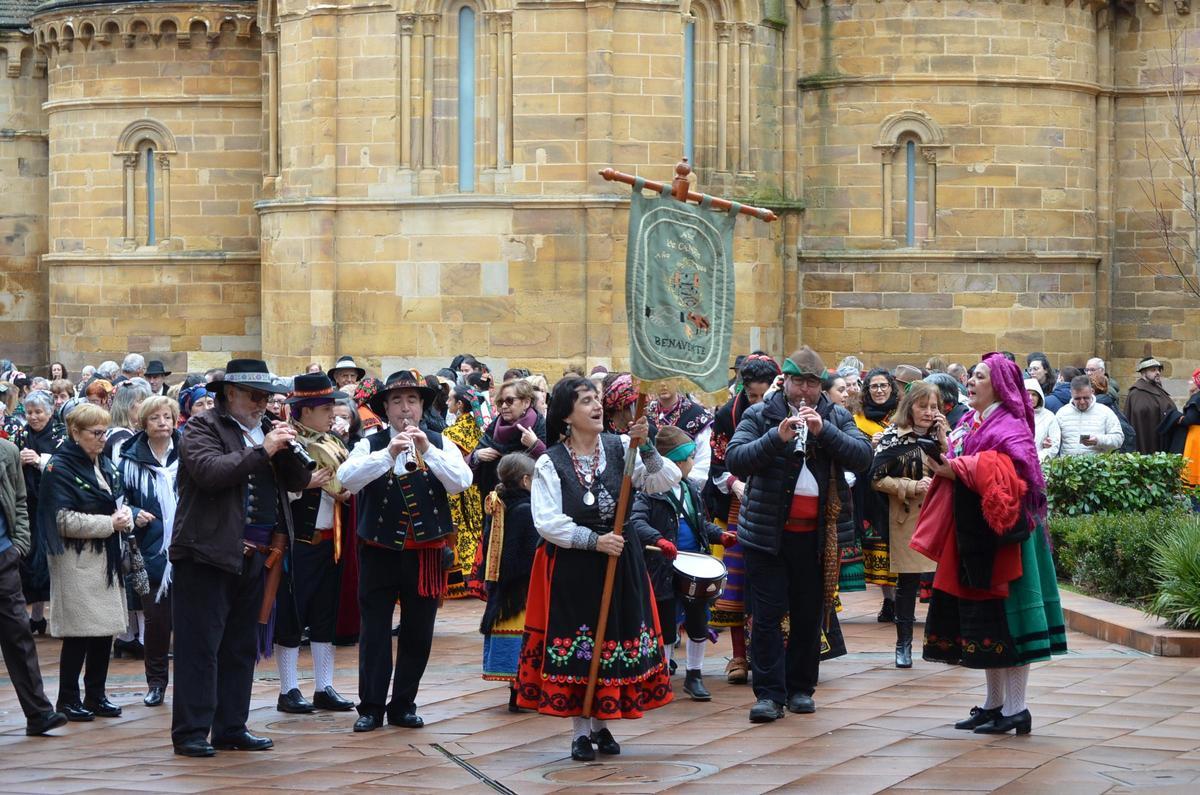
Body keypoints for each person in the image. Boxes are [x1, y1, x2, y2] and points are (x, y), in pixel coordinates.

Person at [515, 376, 678, 761]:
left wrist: (647, 443)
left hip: (621, 560)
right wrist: (594, 541)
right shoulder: (549, 462)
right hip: (575, 565)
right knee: (579, 644)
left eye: (597, 399)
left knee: (613, 640)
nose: (596, 406)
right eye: (586, 401)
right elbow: (547, 521)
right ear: (567, 415)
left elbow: (664, 480)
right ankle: (580, 732)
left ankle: (603, 725)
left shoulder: (621, 446)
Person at [913, 353, 1067, 735]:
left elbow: (1016, 474)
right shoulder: (971, 419)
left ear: (998, 384)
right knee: (987, 619)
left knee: (1010, 619)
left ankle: (1017, 707)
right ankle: (994, 704)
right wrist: (946, 453)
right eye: (972, 375)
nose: (971, 381)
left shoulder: (1011, 424)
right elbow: (968, 460)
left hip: (1010, 536)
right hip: (977, 530)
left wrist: (959, 466)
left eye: (979, 376)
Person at [170, 359, 312, 758]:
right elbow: (210, 472)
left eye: (266, 396)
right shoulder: (201, 428)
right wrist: (261, 450)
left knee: (239, 646)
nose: (261, 403)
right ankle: (191, 731)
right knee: (200, 646)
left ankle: (231, 725)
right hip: (206, 552)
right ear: (229, 394)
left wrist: (287, 449)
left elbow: (299, 481)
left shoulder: (267, 429)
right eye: (254, 395)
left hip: (258, 555)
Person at [725, 347, 872, 722]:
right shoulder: (761, 414)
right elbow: (736, 458)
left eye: (811, 383)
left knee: (809, 615)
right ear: (785, 382)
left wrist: (825, 433)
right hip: (767, 535)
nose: (804, 391)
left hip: (818, 537)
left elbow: (863, 456)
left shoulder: (836, 414)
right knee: (768, 616)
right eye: (798, 382)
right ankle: (770, 694)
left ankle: (801, 688)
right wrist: (776, 438)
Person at [337, 370, 473, 733]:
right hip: (379, 551)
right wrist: (387, 454)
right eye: (397, 401)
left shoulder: (440, 442)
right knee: (375, 632)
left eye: (412, 400)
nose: (405, 408)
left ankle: (404, 704)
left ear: (422, 406)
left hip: (425, 555)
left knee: (418, 633)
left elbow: (461, 483)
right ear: (385, 407)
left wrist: (426, 450)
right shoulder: (370, 443)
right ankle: (370, 707)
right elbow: (346, 480)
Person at [41, 403, 131, 722]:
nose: (102, 439)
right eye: (96, 433)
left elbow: (118, 500)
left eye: (105, 432)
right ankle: (67, 699)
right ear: (75, 433)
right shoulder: (60, 468)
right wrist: (110, 523)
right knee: (80, 632)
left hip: (105, 558)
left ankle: (96, 695)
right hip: (75, 560)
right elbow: (61, 520)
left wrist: (127, 515)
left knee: (103, 631)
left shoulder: (104, 464)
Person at [274, 373, 355, 715]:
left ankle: (324, 686)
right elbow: (275, 490)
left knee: (326, 614)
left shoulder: (334, 443)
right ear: (305, 411)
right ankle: (288, 688)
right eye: (325, 409)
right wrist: (304, 484)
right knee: (293, 615)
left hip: (330, 540)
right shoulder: (286, 443)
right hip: (299, 541)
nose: (332, 415)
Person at [631, 425, 729, 701]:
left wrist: (720, 535)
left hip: (693, 566)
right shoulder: (650, 492)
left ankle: (694, 675)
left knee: (698, 622)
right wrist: (658, 540)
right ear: (676, 462)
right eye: (689, 459)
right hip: (662, 566)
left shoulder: (690, 489)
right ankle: (661, 674)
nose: (692, 464)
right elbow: (636, 523)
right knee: (664, 622)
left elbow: (700, 523)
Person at [705, 354, 779, 685]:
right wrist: (736, 485)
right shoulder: (726, 415)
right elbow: (718, 465)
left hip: (779, 507)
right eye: (752, 396)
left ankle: (778, 654)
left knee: (775, 583)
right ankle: (738, 655)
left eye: (764, 396)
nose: (758, 403)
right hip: (739, 507)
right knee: (736, 584)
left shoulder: (788, 413)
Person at [869, 382, 944, 669]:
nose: (928, 412)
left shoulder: (942, 435)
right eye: (922, 406)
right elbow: (876, 478)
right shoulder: (893, 437)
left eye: (933, 407)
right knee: (908, 582)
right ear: (909, 407)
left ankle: (946, 642)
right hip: (907, 516)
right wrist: (911, 485)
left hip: (941, 515)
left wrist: (943, 437)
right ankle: (903, 645)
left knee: (945, 583)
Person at [0, 433, 68, 736]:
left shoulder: (7, 451)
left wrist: (18, 545)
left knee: (19, 635)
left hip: (3, 557)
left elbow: (18, 499)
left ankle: (39, 713)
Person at [117, 396, 181, 708]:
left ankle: (189, 681)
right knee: (156, 622)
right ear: (144, 423)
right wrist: (135, 510)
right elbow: (117, 500)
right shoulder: (130, 460)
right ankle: (156, 682)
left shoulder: (188, 452)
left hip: (188, 550)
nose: (162, 423)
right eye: (155, 417)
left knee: (191, 622)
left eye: (167, 416)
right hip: (148, 552)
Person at [479, 452, 538, 709]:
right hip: (521, 588)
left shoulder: (497, 504)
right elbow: (525, 551)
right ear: (526, 480)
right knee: (523, 641)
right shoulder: (525, 509)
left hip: (502, 586)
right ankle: (522, 692)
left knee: (513, 640)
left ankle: (516, 691)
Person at [14, 391, 65, 635]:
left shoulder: (60, 435)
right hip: (27, 505)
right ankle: (33, 617)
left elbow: (66, 467)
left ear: (50, 412)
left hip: (53, 506)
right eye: (30, 412)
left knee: (50, 560)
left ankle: (51, 617)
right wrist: (19, 461)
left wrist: (40, 460)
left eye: (38, 412)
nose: (33, 417)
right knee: (28, 559)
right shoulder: (21, 434)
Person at [855, 367, 899, 618]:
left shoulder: (902, 415)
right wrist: (868, 447)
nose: (879, 390)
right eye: (874, 386)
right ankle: (888, 600)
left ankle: (902, 598)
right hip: (871, 490)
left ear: (891, 388)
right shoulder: (858, 418)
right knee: (878, 546)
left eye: (883, 386)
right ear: (867, 391)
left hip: (899, 487)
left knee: (901, 546)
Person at [444, 386, 487, 599]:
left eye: (450, 399)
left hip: (458, 490)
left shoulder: (453, 432)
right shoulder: (479, 427)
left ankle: (462, 580)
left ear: (460, 404)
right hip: (475, 486)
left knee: (460, 529)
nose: (446, 403)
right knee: (474, 527)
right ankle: (474, 576)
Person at [647, 385, 714, 491]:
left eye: (669, 378)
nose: (663, 384)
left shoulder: (696, 414)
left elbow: (703, 462)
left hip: (685, 490)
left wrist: (682, 490)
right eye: (658, 379)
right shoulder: (645, 415)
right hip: (651, 489)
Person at [1055, 375, 1123, 457]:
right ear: (1071, 394)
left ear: (1092, 391)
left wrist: (1098, 440)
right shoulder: (1062, 413)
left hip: (1096, 466)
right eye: (1077, 398)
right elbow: (1054, 440)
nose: (1082, 402)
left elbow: (1118, 439)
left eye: (1086, 398)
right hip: (1068, 466)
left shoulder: (1105, 412)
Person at [1125, 356, 1175, 454]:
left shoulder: (1158, 389)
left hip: (1161, 439)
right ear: (1143, 372)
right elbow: (1138, 418)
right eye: (1153, 370)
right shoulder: (1136, 393)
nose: (1158, 373)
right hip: (1146, 440)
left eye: (1158, 370)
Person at [1026, 379, 1061, 466]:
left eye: (1034, 394)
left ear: (1039, 396)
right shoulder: (1015, 416)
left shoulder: (1049, 417)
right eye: (1027, 394)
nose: (1030, 398)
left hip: (1041, 466)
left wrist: (1037, 459)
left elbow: (1054, 444)